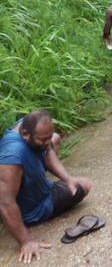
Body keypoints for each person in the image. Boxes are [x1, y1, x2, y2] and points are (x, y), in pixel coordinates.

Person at [0, 110, 92, 263]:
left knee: (55, 139)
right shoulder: (12, 158)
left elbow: (48, 150)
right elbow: (5, 204)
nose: (46, 142)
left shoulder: (26, 124)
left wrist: (68, 178)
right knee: (83, 187)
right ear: (25, 134)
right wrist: (26, 241)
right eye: (43, 139)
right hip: (32, 209)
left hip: (32, 188)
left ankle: (36, 176)